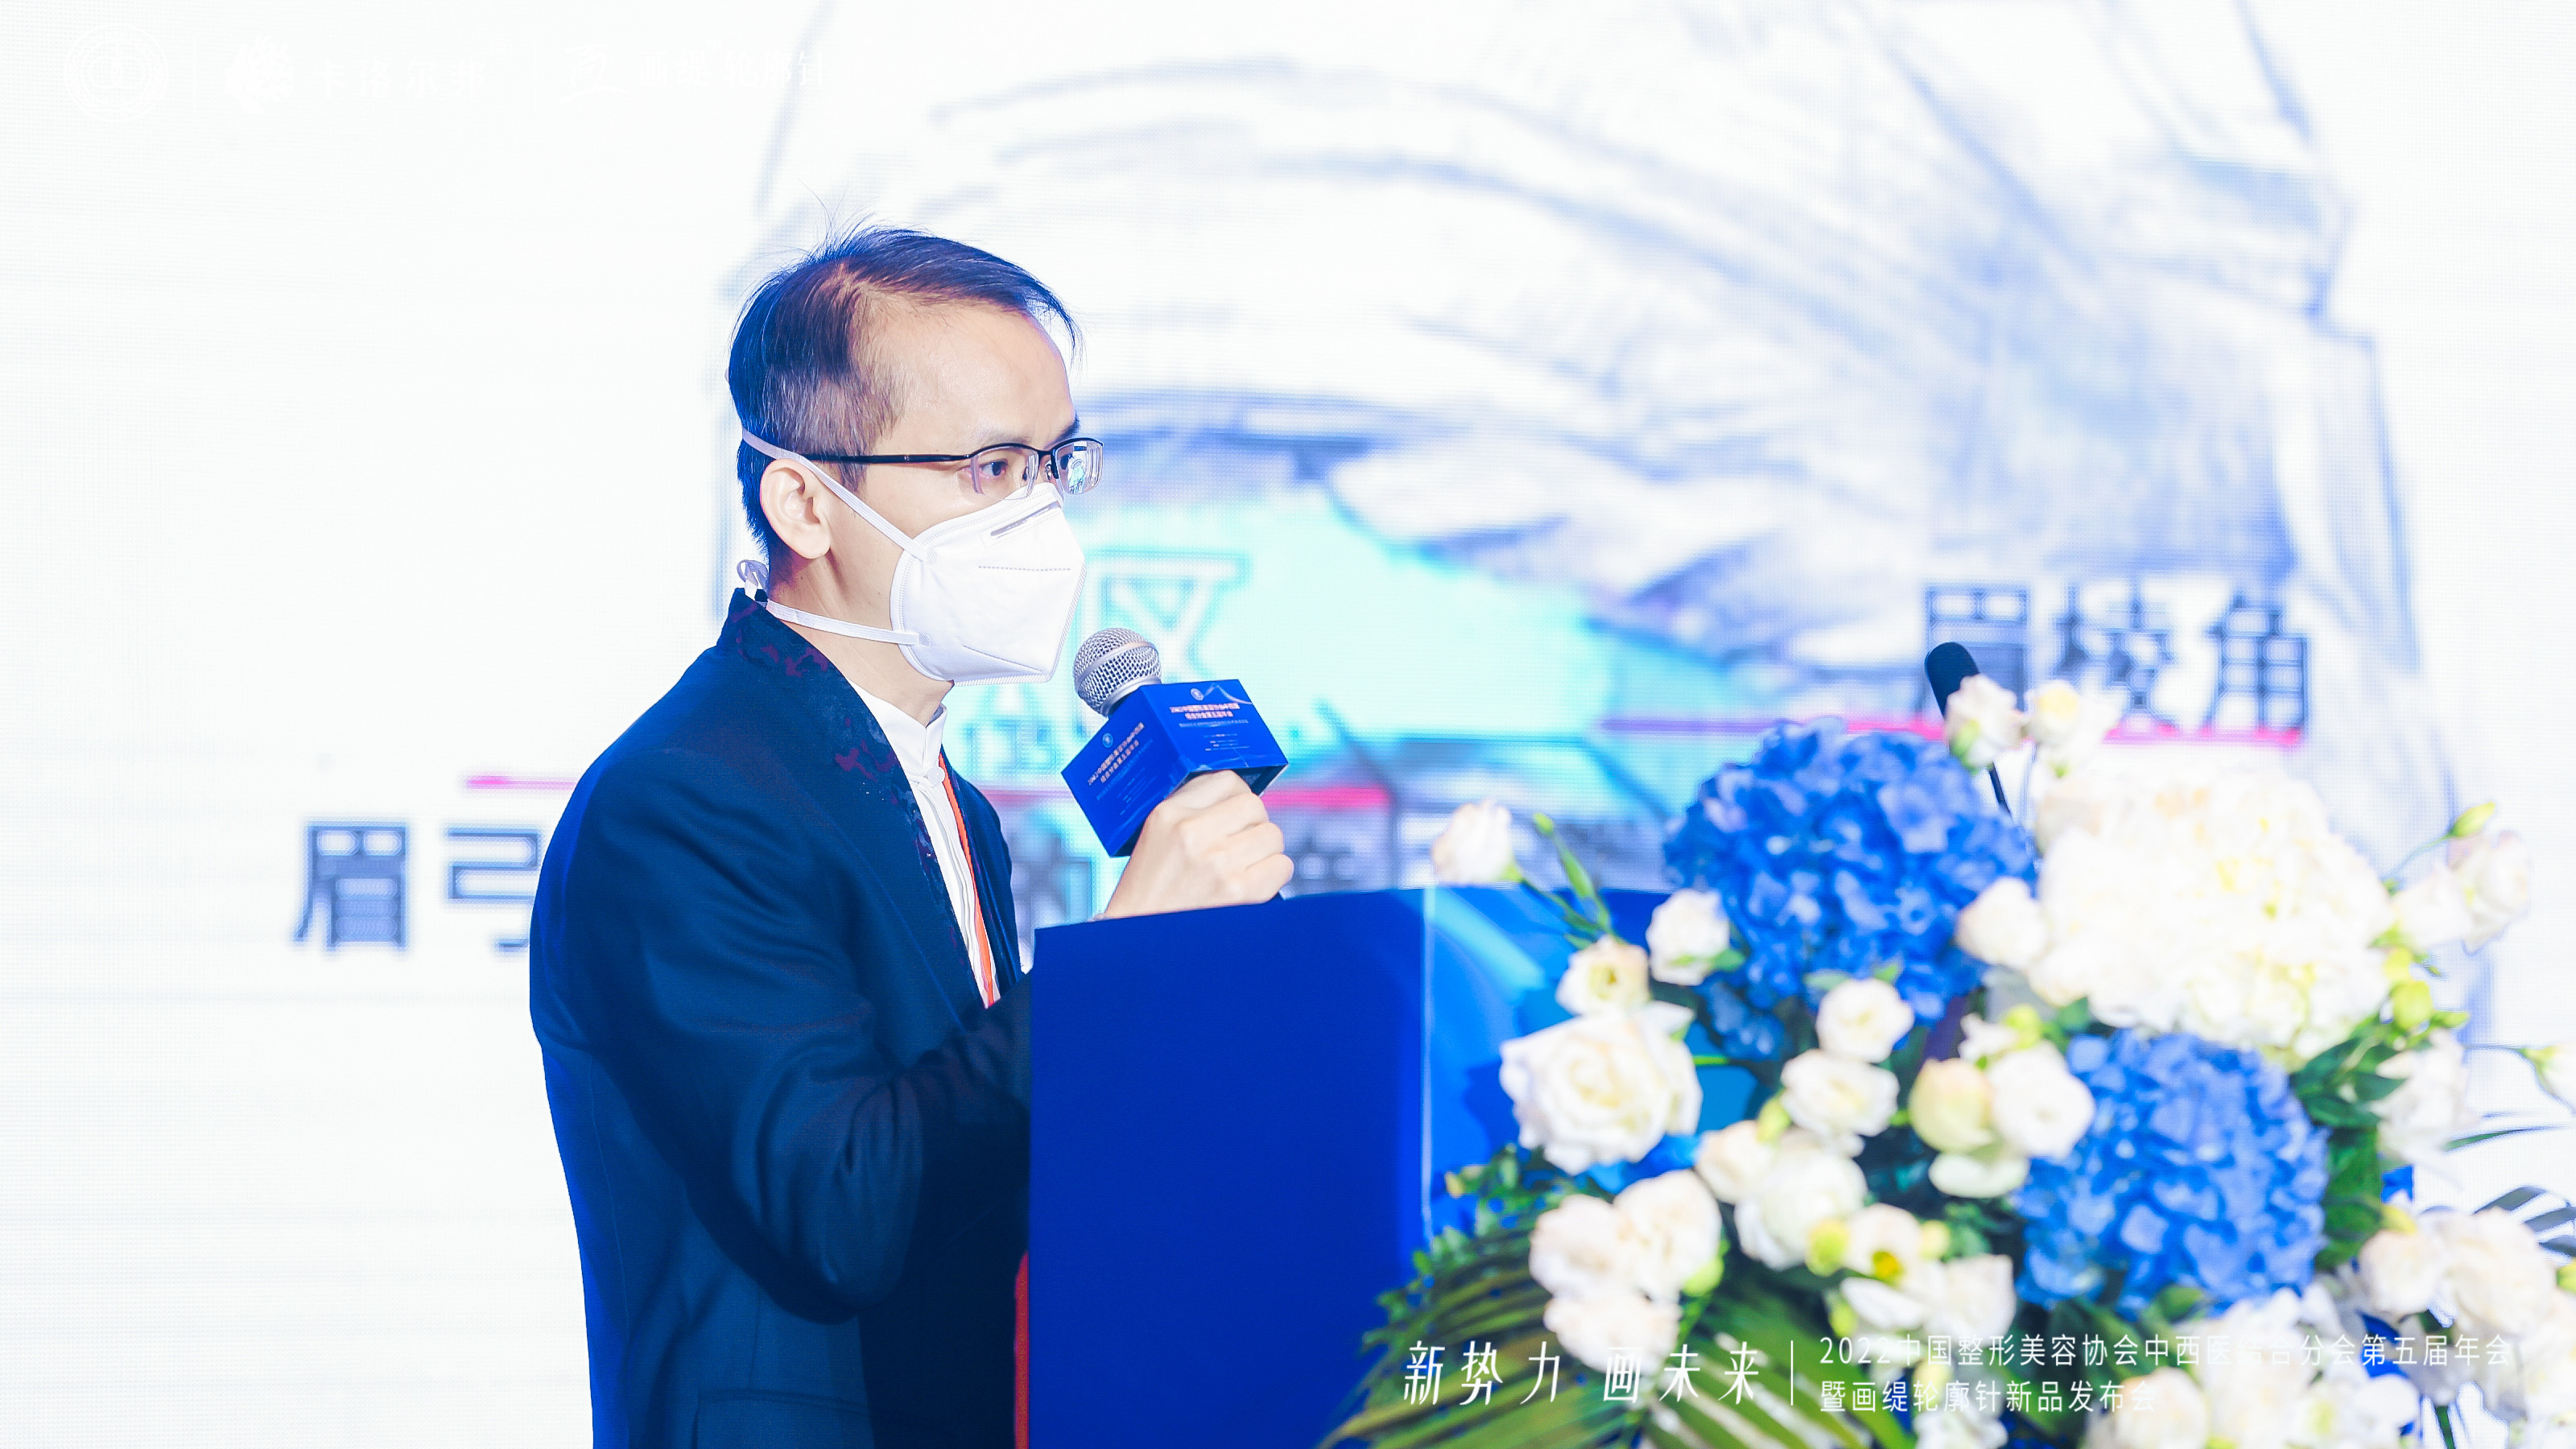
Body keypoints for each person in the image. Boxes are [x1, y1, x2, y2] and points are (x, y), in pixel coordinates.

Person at [529, 227, 1294, 1449]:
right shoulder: (686, 799)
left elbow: (982, 1153)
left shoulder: (941, 794)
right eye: (988, 470)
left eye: (1055, 464)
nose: (1038, 514)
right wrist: (1117, 963)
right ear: (803, 502)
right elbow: (842, 1207)